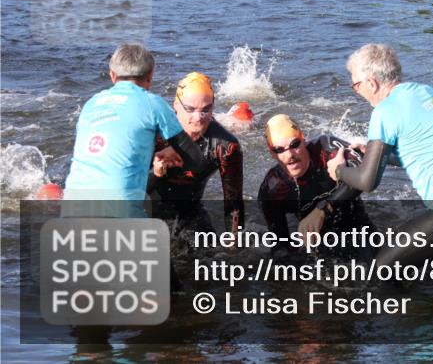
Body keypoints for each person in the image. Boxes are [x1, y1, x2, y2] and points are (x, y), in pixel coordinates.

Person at [328, 44, 433, 268]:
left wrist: (338, 170)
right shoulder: (426, 92)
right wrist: (374, 155)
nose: (357, 91)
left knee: (383, 269)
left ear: (371, 83)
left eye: (356, 85)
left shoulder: (385, 110)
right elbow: (422, 151)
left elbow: (367, 182)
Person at [62, 44, 186, 207]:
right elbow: (193, 157)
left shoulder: (90, 104)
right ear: (150, 76)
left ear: (112, 75)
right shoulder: (153, 103)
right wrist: (173, 151)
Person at [258, 114, 372, 258]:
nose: (290, 154)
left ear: (303, 140)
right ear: (272, 154)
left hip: (357, 226)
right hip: (318, 240)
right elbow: (280, 246)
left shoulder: (326, 149)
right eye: (279, 150)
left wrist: (323, 208)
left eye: (295, 144)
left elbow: (366, 176)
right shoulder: (273, 189)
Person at [147, 72, 245, 235]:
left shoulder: (225, 147)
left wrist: (234, 244)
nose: (198, 117)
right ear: (176, 105)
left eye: (206, 109)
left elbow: (233, 204)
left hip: (190, 211)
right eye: (190, 109)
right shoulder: (152, 133)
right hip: (145, 208)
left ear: (213, 106)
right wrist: (155, 173)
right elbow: (123, 185)